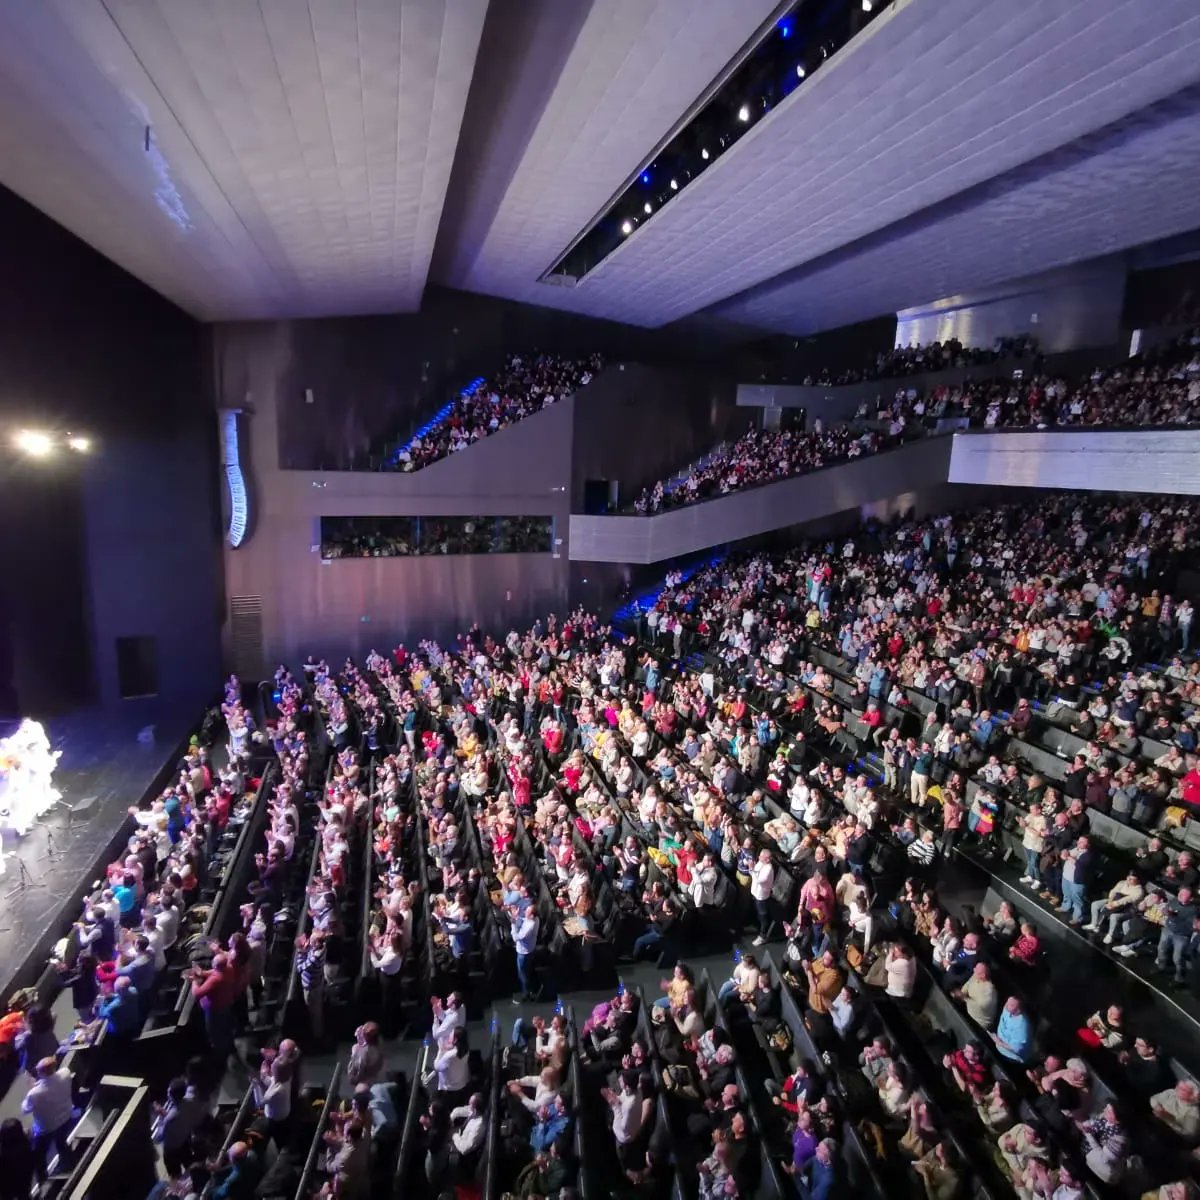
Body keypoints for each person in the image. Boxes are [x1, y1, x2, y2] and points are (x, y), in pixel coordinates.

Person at [22, 1058, 74, 1181]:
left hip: (47, 1127)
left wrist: (31, 1088)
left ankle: (42, 1178)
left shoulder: (34, 1093)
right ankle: (67, 1162)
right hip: (65, 1117)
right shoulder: (65, 1073)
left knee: (39, 1154)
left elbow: (25, 1109)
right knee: (61, 1142)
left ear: (40, 1073)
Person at [0, 1119, 35, 1200]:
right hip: (24, 1178)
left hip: (7, 1183)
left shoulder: (5, 1152)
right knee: (24, 1195)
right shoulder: (25, 1143)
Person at [992, 996, 1033, 1064]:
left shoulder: (1022, 1027)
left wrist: (998, 1042)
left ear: (1018, 1010)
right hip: (997, 1045)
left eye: (1011, 1005)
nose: (1007, 1005)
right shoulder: (1007, 1007)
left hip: (1009, 1057)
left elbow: (1016, 1049)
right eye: (1007, 1001)